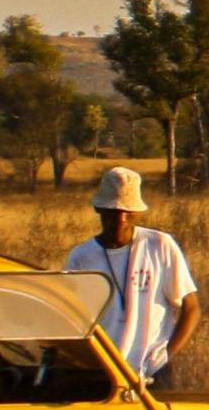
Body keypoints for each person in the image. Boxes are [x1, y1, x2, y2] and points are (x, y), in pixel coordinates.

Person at [65, 167, 200, 389]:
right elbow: (73, 322)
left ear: (137, 213)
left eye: (127, 211)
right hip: (104, 375)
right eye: (113, 210)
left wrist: (165, 355)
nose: (121, 218)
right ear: (99, 209)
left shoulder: (160, 245)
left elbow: (191, 308)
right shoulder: (81, 258)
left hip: (154, 373)